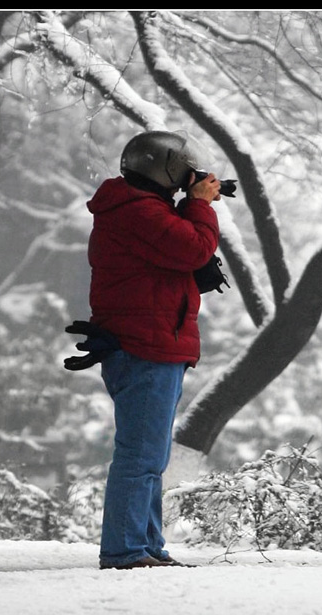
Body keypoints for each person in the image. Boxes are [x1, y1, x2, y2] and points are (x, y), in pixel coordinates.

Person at [79, 131, 221, 570]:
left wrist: (188, 205)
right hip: (146, 346)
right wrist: (198, 204)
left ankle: (146, 545)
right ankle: (125, 550)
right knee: (140, 455)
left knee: (151, 456)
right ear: (167, 168)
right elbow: (194, 247)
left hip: (152, 343)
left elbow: (180, 255)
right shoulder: (137, 211)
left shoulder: (139, 209)